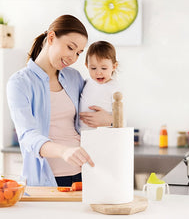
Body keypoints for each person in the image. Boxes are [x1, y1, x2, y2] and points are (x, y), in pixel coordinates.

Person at [6, 15, 111, 187]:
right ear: (52, 37)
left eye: (78, 53)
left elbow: (98, 103)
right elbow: (27, 136)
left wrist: (110, 119)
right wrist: (64, 151)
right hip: (47, 179)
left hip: (83, 173)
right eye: (70, 47)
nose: (73, 58)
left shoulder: (74, 78)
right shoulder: (19, 83)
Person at [79, 41, 122, 129]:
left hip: (105, 134)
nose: (98, 72)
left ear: (114, 66)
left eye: (104, 68)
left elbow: (122, 119)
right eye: (93, 68)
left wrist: (110, 120)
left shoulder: (115, 88)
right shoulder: (86, 83)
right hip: (83, 134)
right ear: (87, 66)